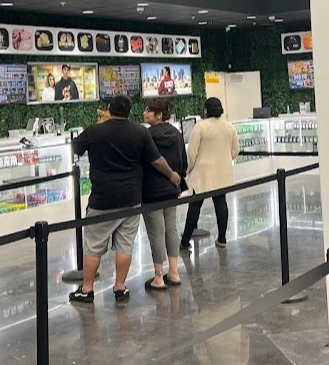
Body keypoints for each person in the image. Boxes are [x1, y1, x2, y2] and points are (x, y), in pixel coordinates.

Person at [69, 95, 181, 304]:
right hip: (131, 198)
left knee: (93, 245)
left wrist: (98, 129)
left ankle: (87, 289)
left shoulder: (95, 131)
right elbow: (156, 160)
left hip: (102, 199)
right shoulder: (139, 131)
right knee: (125, 245)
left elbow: (73, 148)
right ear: (129, 112)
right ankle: (120, 287)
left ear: (109, 109)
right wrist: (171, 174)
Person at [181, 97, 240, 250]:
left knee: (194, 205)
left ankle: (185, 241)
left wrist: (187, 170)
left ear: (206, 110)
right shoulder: (229, 127)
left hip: (202, 173)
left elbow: (192, 153)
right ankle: (222, 238)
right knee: (221, 203)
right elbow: (235, 151)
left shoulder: (200, 127)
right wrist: (224, 160)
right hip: (223, 172)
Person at [141, 99, 187, 290]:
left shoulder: (146, 135)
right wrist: (176, 177)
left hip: (151, 191)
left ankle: (159, 277)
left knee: (156, 233)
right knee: (171, 229)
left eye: (148, 111)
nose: (144, 113)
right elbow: (183, 161)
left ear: (159, 115)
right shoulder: (176, 133)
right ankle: (174, 273)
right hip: (171, 189)